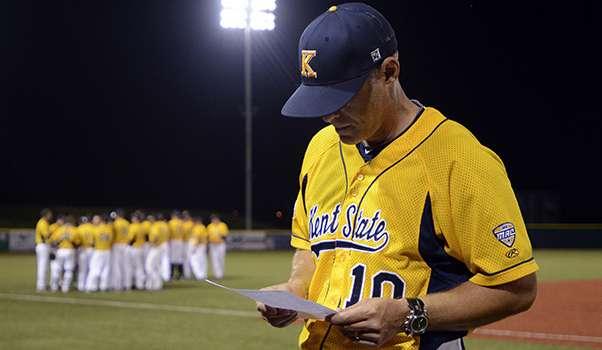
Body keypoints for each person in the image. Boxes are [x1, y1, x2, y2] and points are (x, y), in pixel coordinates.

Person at [256, 3, 539, 349]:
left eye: (341, 97)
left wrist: (409, 313)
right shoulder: (321, 148)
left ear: (388, 72)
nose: (329, 115)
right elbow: (309, 248)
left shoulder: (459, 158)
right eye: (319, 101)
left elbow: (517, 288)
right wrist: (295, 288)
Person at [49, 215, 81, 293]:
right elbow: (77, 242)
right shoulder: (74, 230)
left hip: (60, 250)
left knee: (57, 269)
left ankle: (54, 286)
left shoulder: (59, 229)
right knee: (69, 269)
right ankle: (65, 287)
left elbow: (53, 241)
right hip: (70, 251)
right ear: (73, 222)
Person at [86, 213, 114, 292]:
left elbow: (90, 241)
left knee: (94, 268)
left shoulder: (96, 229)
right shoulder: (110, 229)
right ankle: (103, 286)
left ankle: (91, 286)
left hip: (98, 250)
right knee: (106, 269)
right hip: (107, 251)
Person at [110, 208, 130, 291]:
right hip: (126, 245)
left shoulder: (115, 224)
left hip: (117, 245)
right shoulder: (127, 223)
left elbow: (112, 235)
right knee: (126, 265)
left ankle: (117, 285)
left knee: (116, 265)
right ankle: (127, 284)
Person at [127, 211, 147, 290]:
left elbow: (129, 239)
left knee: (133, 266)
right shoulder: (142, 227)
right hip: (142, 248)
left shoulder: (133, 227)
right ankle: (140, 283)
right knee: (140, 266)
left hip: (135, 248)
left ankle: (136, 283)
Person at [35, 208, 53, 292]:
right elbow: (47, 235)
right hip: (42, 246)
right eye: (49, 214)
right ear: (45, 215)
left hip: (43, 246)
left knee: (44, 266)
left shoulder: (44, 223)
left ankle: (42, 284)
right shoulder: (42, 223)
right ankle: (41, 285)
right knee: (43, 266)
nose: (51, 216)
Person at [76, 214, 95, 292]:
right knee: (91, 268)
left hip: (82, 249)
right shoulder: (93, 228)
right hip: (91, 249)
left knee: (82, 269)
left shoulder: (79, 228)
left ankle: (81, 286)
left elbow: (77, 241)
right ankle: (90, 285)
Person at [207, 213, 229, 280]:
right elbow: (207, 236)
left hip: (220, 245)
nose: (214, 220)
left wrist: (217, 240)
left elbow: (224, 236)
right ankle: (216, 274)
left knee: (221, 259)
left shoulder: (222, 225)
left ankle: (220, 274)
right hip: (213, 245)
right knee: (214, 259)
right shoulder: (210, 226)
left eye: (215, 219)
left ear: (218, 219)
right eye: (213, 219)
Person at [144, 214, 163, 291]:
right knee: (156, 267)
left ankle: (150, 284)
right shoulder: (158, 226)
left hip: (155, 248)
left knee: (148, 266)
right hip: (158, 248)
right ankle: (157, 284)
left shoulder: (154, 227)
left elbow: (156, 236)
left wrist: (153, 243)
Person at [189, 216, 208, 281]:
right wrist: (205, 245)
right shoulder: (203, 227)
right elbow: (206, 238)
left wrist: (194, 247)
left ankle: (199, 275)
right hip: (202, 245)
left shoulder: (197, 228)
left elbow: (197, 238)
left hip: (198, 246)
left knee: (194, 260)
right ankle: (204, 274)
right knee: (202, 261)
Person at [168, 210, 186, 280]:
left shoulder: (170, 223)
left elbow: (169, 233)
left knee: (172, 258)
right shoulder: (182, 223)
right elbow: (184, 233)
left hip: (173, 240)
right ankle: (181, 274)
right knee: (180, 258)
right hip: (181, 241)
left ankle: (172, 274)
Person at [155, 213, 172, 282]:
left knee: (158, 261)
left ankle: (160, 275)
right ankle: (166, 276)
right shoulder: (166, 225)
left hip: (159, 244)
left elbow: (156, 235)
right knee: (166, 260)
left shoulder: (156, 225)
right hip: (166, 243)